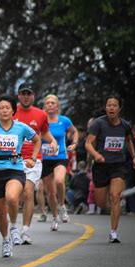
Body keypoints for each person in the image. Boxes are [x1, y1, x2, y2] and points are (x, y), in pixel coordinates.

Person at [0, 95, 41, 257]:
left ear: (13, 110)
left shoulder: (21, 127)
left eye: (7, 108)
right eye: (1, 108)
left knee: (12, 197)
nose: (5, 110)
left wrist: (33, 158)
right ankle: (6, 240)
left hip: (15, 168)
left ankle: (13, 226)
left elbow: (37, 140)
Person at [85, 95, 135, 242]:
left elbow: (128, 141)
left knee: (115, 197)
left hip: (118, 165)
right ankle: (110, 200)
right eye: (109, 105)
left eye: (114, 105)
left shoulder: (125, 125)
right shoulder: (98, 124)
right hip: (101, 167)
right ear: (105, 107)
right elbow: (88, 143)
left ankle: (113, 232)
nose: (111, 108)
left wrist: (134, 157)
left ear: (119, 108)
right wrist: (96, 155)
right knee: (101, 203)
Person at [11, 83, 57, 245]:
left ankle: (25, 231)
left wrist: (52, 141)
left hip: (33, 159)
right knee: (15, 196)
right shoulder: (10, 112)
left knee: (29, 192)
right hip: (13, 159)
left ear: (33, 96)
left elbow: (44, 132)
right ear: (18, 95)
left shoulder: (40, 114)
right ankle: (13, 228)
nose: (25, 96)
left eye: (28, 94)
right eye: (23, 93)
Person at [41, 94, 79, 231]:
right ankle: (55, 218)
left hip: (60, 156)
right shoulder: (41, 121)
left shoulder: (64, 120)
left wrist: (74, 144)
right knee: (50, 193)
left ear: (57, 106)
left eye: (53, 103)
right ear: (44, 106)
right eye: (48, 103)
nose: (50, 105)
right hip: (45, 159)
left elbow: (74, 132)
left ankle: (62, 205)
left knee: (59, 181)